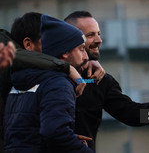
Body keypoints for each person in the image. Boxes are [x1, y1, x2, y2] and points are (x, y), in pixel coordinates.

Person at [64, 11, 149, 151]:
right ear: (69, 39)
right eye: (90, 35)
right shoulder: (46, 73)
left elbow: (133, 115)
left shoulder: (100, 80)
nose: (99, 40)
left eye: (99, 34)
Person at [3, 15, 94, 153]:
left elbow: (25, 134)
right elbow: (55, 133)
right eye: (81, 49)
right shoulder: (58, 83)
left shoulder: (17, 82)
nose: (86, 56)